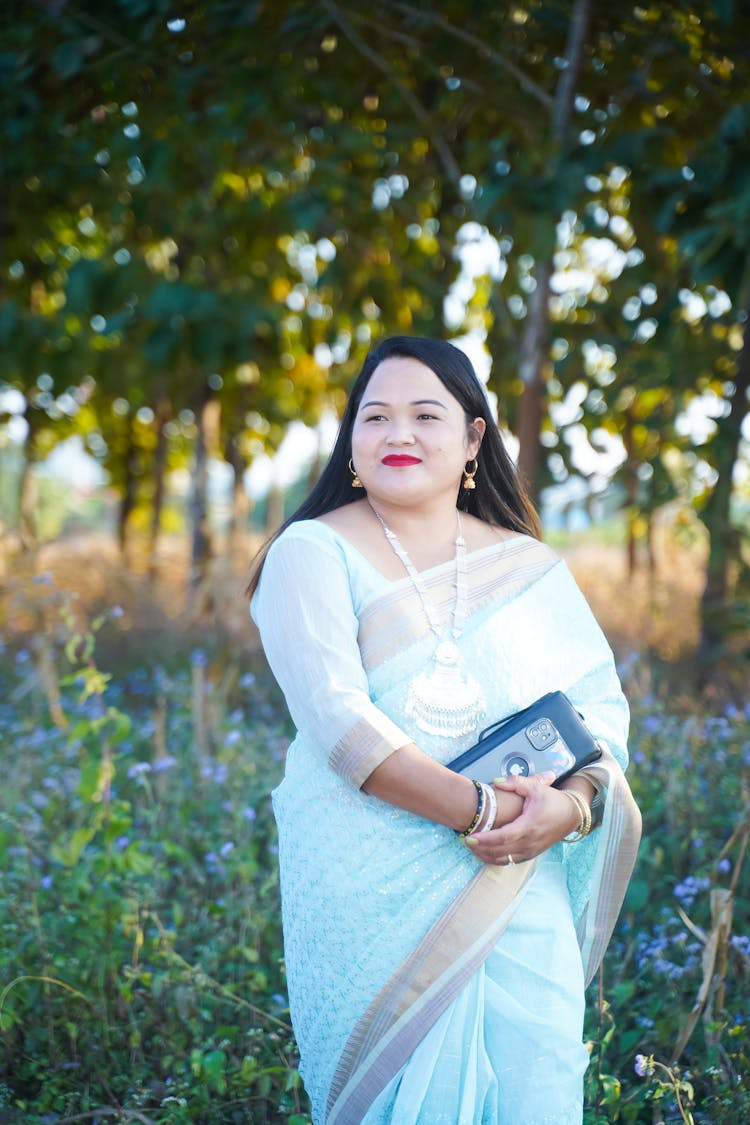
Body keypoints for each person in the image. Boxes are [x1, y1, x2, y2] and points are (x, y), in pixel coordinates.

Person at [249, 336, 641, 1125]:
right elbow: (337, 720)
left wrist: (566, 812)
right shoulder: (312, 550)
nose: (399, 433)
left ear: (472, 439)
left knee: (537, 1087)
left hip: (515, 881)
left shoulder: (529, 566)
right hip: (372, 892)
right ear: (351, 442)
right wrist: (485, 812)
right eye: (375, 415)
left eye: (426, 414)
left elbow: (601, 715)